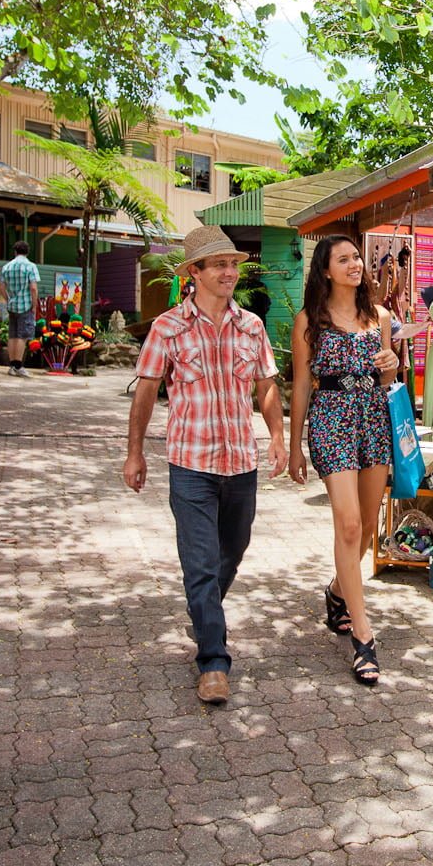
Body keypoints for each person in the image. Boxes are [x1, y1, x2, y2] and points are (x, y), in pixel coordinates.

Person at [123, 226, 287, 706]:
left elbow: (267, 386)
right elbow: (147, 392)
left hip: (240, 462)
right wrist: (135, 452)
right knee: (198, 563)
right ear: (193, 273)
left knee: (230, 553)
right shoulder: (168, 328)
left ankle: (203, 611)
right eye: (219, 265)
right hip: (190, 464)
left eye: (233, 265)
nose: (230, 273)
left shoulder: (252, 326)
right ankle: (213, 661)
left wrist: (276, 436)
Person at [287, 236, 399, 685]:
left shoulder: (381, 317)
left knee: (369, 526)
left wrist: (391, 363)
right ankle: (363, 637)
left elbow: (387, 374)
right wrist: (294, 445)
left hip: (373, 418)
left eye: (357, 257)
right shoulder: (308, 322)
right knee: (349, 524)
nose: (355, 264)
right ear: (326, 270)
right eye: (344, 259)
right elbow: (299, 385)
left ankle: (337, 591)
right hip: (331, 420)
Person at [0, 241, 41, 377]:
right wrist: (34, 305)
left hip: (12, 305)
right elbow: (33, 288)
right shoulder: (31, 267)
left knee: (13, 335)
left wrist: (8, 299)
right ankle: (18, 365)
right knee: (22, 336)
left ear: (15, 252)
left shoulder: (6, 267)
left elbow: (1, 288)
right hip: (26, 305)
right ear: (27, 252)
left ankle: (12, 365)